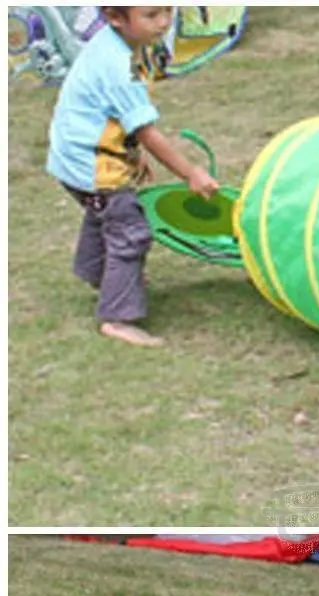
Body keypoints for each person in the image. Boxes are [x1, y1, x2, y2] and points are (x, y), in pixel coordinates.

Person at [46, 6, 220, 348]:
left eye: (168, 10)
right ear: (116, 18)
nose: (165, 22)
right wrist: (191, 173)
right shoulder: (117, 66)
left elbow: (110, 114)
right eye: (152, 15)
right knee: (130, 231)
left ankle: (98, 272)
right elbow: (145, 130)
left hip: (75, 159)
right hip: (92, 165)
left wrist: (130, 154)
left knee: (106, 212)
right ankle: (118, 317)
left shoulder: (117, 45)